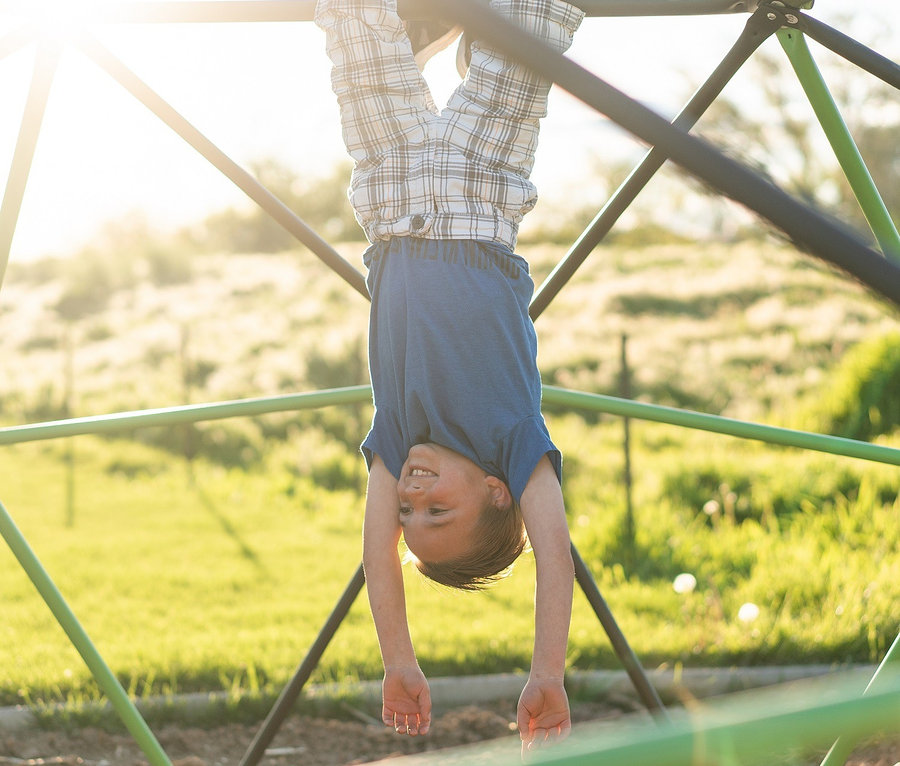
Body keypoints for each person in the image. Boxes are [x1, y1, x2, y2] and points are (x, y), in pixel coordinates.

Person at [314, 0, 584, 754]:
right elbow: (554, 555)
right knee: (526, 29)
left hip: (391, 192)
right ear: (500, 496)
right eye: (439, 513)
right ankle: (467, 34)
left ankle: (413, 35)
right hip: (480, 189)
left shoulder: (399, 439)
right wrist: (547, 673)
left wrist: (398, 662)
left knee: (354, 29)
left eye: (410, 519)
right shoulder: (513, 445)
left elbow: (377, 557)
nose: (413, 503)